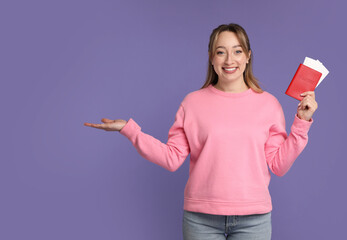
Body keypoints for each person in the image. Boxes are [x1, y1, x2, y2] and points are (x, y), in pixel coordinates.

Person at [84, 23, 317, 240]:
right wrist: (129, 130)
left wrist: (301, 122)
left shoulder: (269, 104)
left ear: (247, 57)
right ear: (211, 58)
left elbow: (279, 165)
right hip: (201, 219)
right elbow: (172, 158)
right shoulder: (192, 103)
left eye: (237, 51)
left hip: (254, 219)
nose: (229, 59)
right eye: (220, 51)